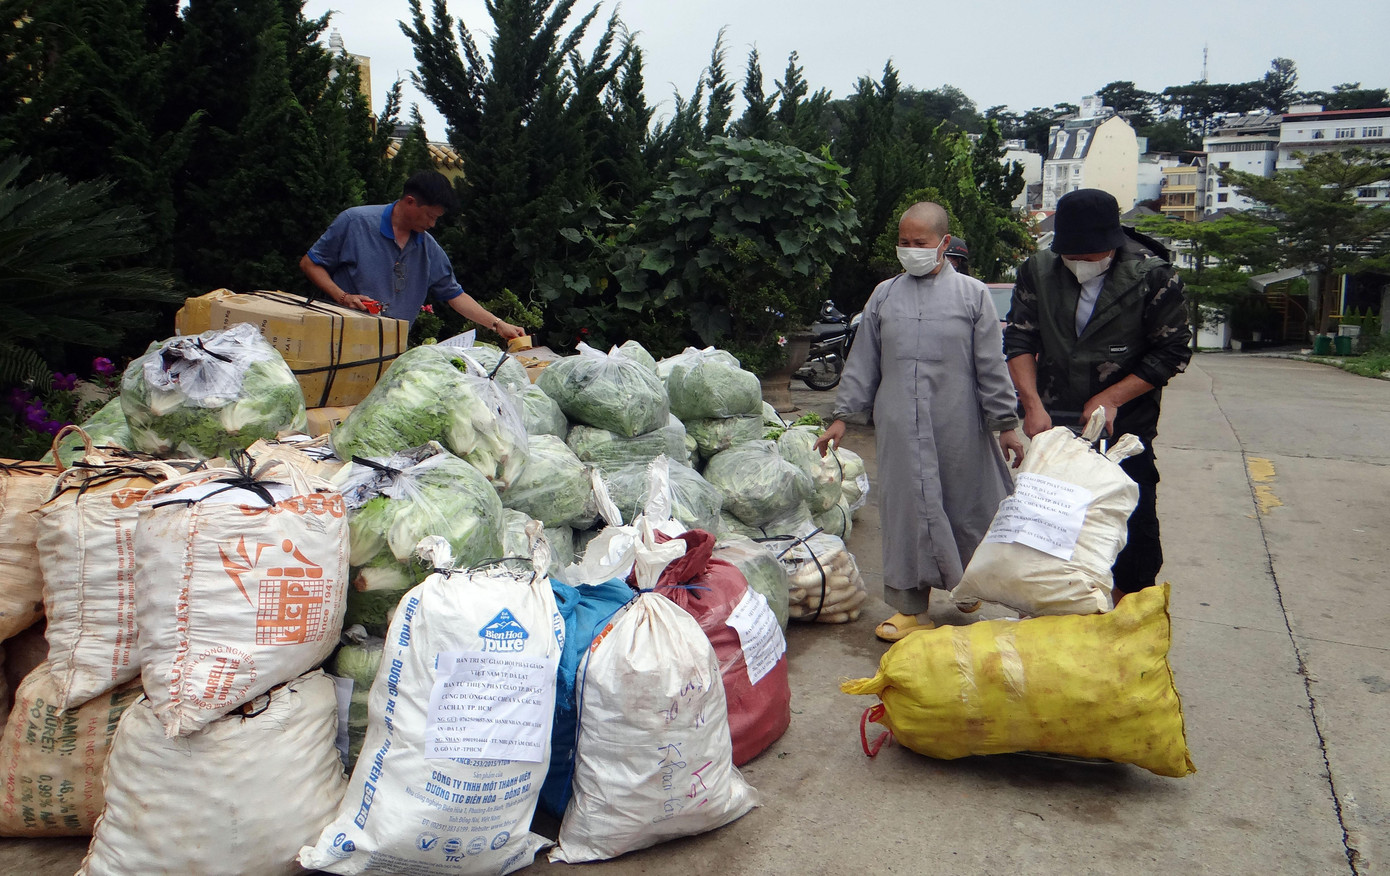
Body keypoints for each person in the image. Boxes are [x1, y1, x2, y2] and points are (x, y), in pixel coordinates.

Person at [814, 202, 1025, 642]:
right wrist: (842, 417)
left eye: (920, 242)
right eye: (904, 242)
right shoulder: (884, 295)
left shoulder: (973, 295)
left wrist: (1006, 421)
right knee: (906, 513)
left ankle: (970, 585)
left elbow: (991, 363)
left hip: (959, 422)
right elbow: (864, 360)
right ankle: (911, 608)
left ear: (943, 243)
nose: (910, 250)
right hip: (898, 426)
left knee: (967, 506)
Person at [1004, 188, 1191, 596]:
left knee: (1132, 534)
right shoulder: (1039, 270)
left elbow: (1173, 352)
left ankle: (1125, 614)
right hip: (1054, 427)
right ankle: (1048, 611)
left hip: (1125, 431)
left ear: (1112, 244)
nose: (1078, 264)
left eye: (1087, 256)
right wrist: (1032, 405)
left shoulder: (1153, 276)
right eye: (1069, 255)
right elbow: (1019, 340)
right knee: (1044, 536)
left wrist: (1112, 398)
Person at [300, 171, 525, 339]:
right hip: (340, 339)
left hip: (392, 348)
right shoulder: (354, 222)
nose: (432, 224)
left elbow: (455, 295)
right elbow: (310, 263)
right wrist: (343, 297)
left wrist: (498, 324)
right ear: (410, 202)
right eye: (430, 216)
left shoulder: (428, 248)